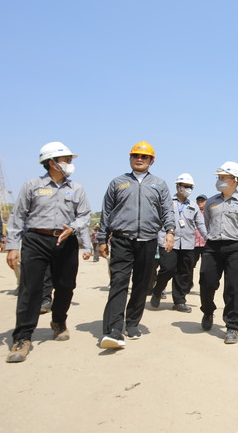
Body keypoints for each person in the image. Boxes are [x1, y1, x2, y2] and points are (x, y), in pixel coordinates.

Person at [5, 142, 91, 363]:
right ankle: (22, 337)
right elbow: (18, 216)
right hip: (36, 240)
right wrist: (12, 246)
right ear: (52, 163)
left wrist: (74, 227)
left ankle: (59, 322)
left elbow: (84, 215)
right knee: (30, 289)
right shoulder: (32, 185)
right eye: (67, 160)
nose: (70, 164)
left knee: (65, 285)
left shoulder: (77, 189)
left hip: (65, 242)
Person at [97, 141, 175, 349]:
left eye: (144, 157)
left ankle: (132, 323)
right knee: (119, 282)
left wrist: (170, 231)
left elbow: (167, 210)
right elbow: (106, 212)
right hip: (122, 240)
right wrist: (102, 239)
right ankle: (113, 329)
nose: (139, 159)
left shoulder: (160, 184)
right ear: (130, 158)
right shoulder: (117, 183)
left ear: (151, 160)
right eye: (135, 156)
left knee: (142, 284)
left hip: (148, 241)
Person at [200, 161, 238, 344]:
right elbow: (207, 223)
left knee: (233, 288)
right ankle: (208, 312)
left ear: (235, 180)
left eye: (223, 177)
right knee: (206, 281)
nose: (219, 180)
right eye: (219, 177)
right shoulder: (211, 202)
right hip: (213, 247)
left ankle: (232, 326)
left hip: (235, 249)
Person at [149, 173, 207, 313]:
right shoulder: (167, 202)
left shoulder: (193, 206)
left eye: (190, 187)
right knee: (168, 268)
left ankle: (179, 301)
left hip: (187, 244)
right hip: (168, 242)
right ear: (178, 186)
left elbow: (201, 225)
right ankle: (157, 291)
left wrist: (208, 240)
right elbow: (156, 221)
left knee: (183, 273)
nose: (188, 189)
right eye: (185, 186)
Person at [189, 194, 208, 294]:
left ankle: (204, 286)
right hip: (194, 243)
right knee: (190, 265)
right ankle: (188, 284)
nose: (200, 202)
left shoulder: (210, 213)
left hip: (206, 244)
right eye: (198, 200)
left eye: (202, 200)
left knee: (205, 267)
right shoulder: (192, 211)